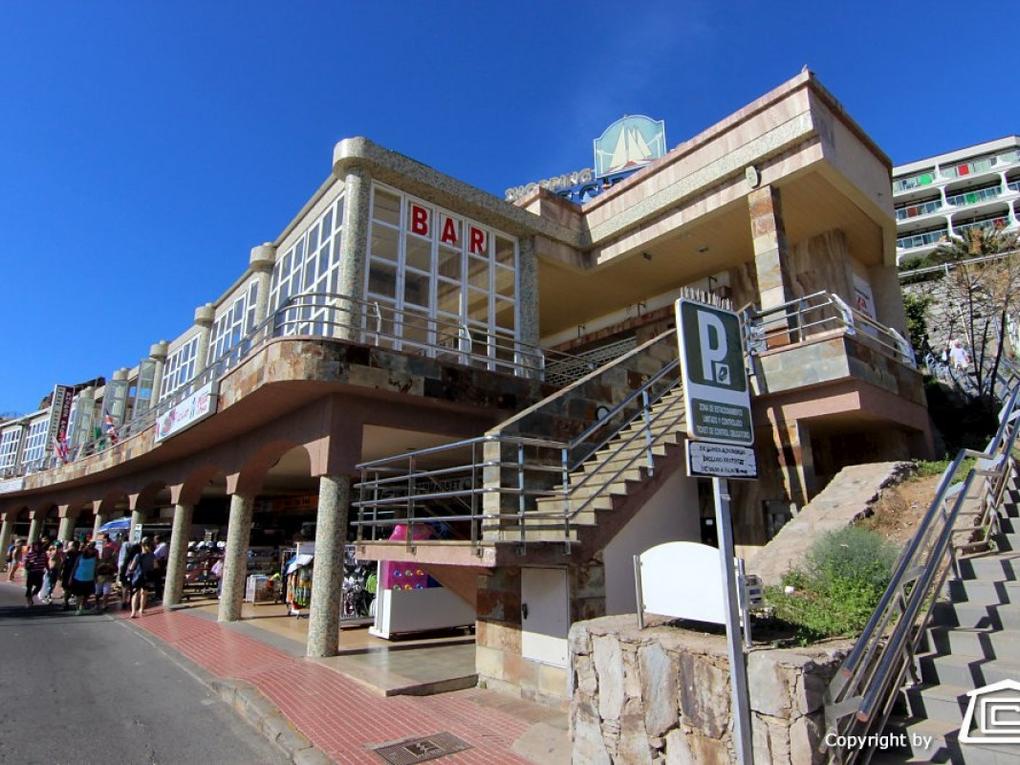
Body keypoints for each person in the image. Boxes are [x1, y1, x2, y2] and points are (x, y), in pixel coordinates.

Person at [127, 538, 157, 618]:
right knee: (144, 593)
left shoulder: (138, 555)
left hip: (138, 576)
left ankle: (133, 612)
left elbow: (132, 567)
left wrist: (130, 572)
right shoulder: (152, 555)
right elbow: (155, 566)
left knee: (136, 593)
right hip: (147, 575)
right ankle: (141, 609)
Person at [70, 542, 98, 615]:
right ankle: (77, 607)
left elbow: (95, 568)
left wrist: (95, 578)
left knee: (86, 595)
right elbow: (75, 567)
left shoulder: (95, 558)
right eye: (90, 549)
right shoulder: (80, 556)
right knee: (79, 595)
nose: (91, 551)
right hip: (79, 578)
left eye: (92, 549)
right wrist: (71, 577)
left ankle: (81, 607)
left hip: (89, 579)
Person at [22, 537, 50, 607]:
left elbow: (46, 562)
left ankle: (31, 595)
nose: (35, 547)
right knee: (29, 587)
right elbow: (25, 563)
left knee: (39, 586)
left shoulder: (43, 553)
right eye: (34, 546)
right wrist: (29, 564)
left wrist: (48, 569)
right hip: (32, 572)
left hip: (40, 572)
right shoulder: (30, 554)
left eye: (37, 546)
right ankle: (29, 601)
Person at [95, 534, 118, 614]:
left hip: (104, 576)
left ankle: (101, 604)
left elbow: (115, 568)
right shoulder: (105, 559)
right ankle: (102, 604)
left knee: (104, 591)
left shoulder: (105, 558)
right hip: (104, 576)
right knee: (103, 591)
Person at [61, 540, 80, 611]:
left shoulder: (80, 554)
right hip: (67, 573)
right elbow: (63, 563)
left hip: (76, 573)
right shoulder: (68, 553)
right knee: (67, 588)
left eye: (71, 546)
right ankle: (65, 602)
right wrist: (60, 571)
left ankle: (71, 601)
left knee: (72, 588)